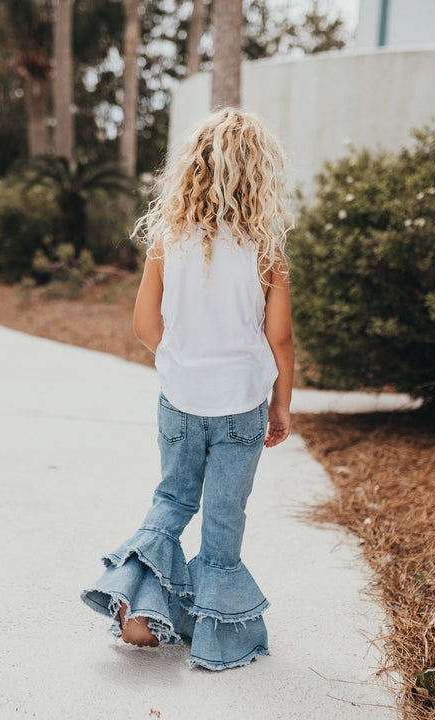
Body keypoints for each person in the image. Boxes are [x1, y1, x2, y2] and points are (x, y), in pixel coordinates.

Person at [80, 108, 295, 671]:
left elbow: (145, 325)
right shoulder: (265, 250)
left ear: (191, 170)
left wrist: (181, 365)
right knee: (224, 515)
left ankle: (139, 612)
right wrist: (282, 405)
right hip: (242, 404)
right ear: (258, 177)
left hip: (180, 399)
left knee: (172, 500)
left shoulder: (167, 240)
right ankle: (216, 638)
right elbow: (282, 339)